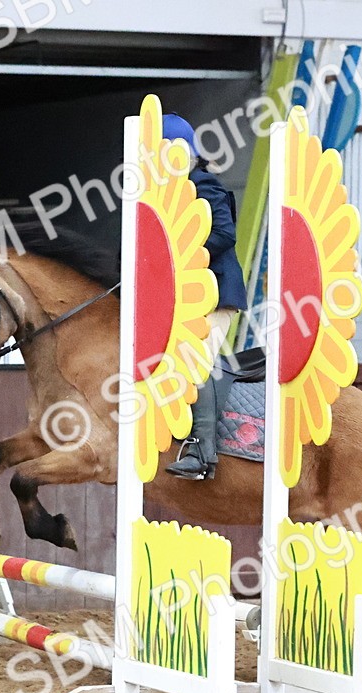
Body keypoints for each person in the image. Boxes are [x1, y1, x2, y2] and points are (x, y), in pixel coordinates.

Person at [160, 113, 247, 480]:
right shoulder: (168, 193)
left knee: (195, 360)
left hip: (218, 293)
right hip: (195, 295)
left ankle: (201, 452)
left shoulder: (202, 184)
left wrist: (181, 255)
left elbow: (224, 234)